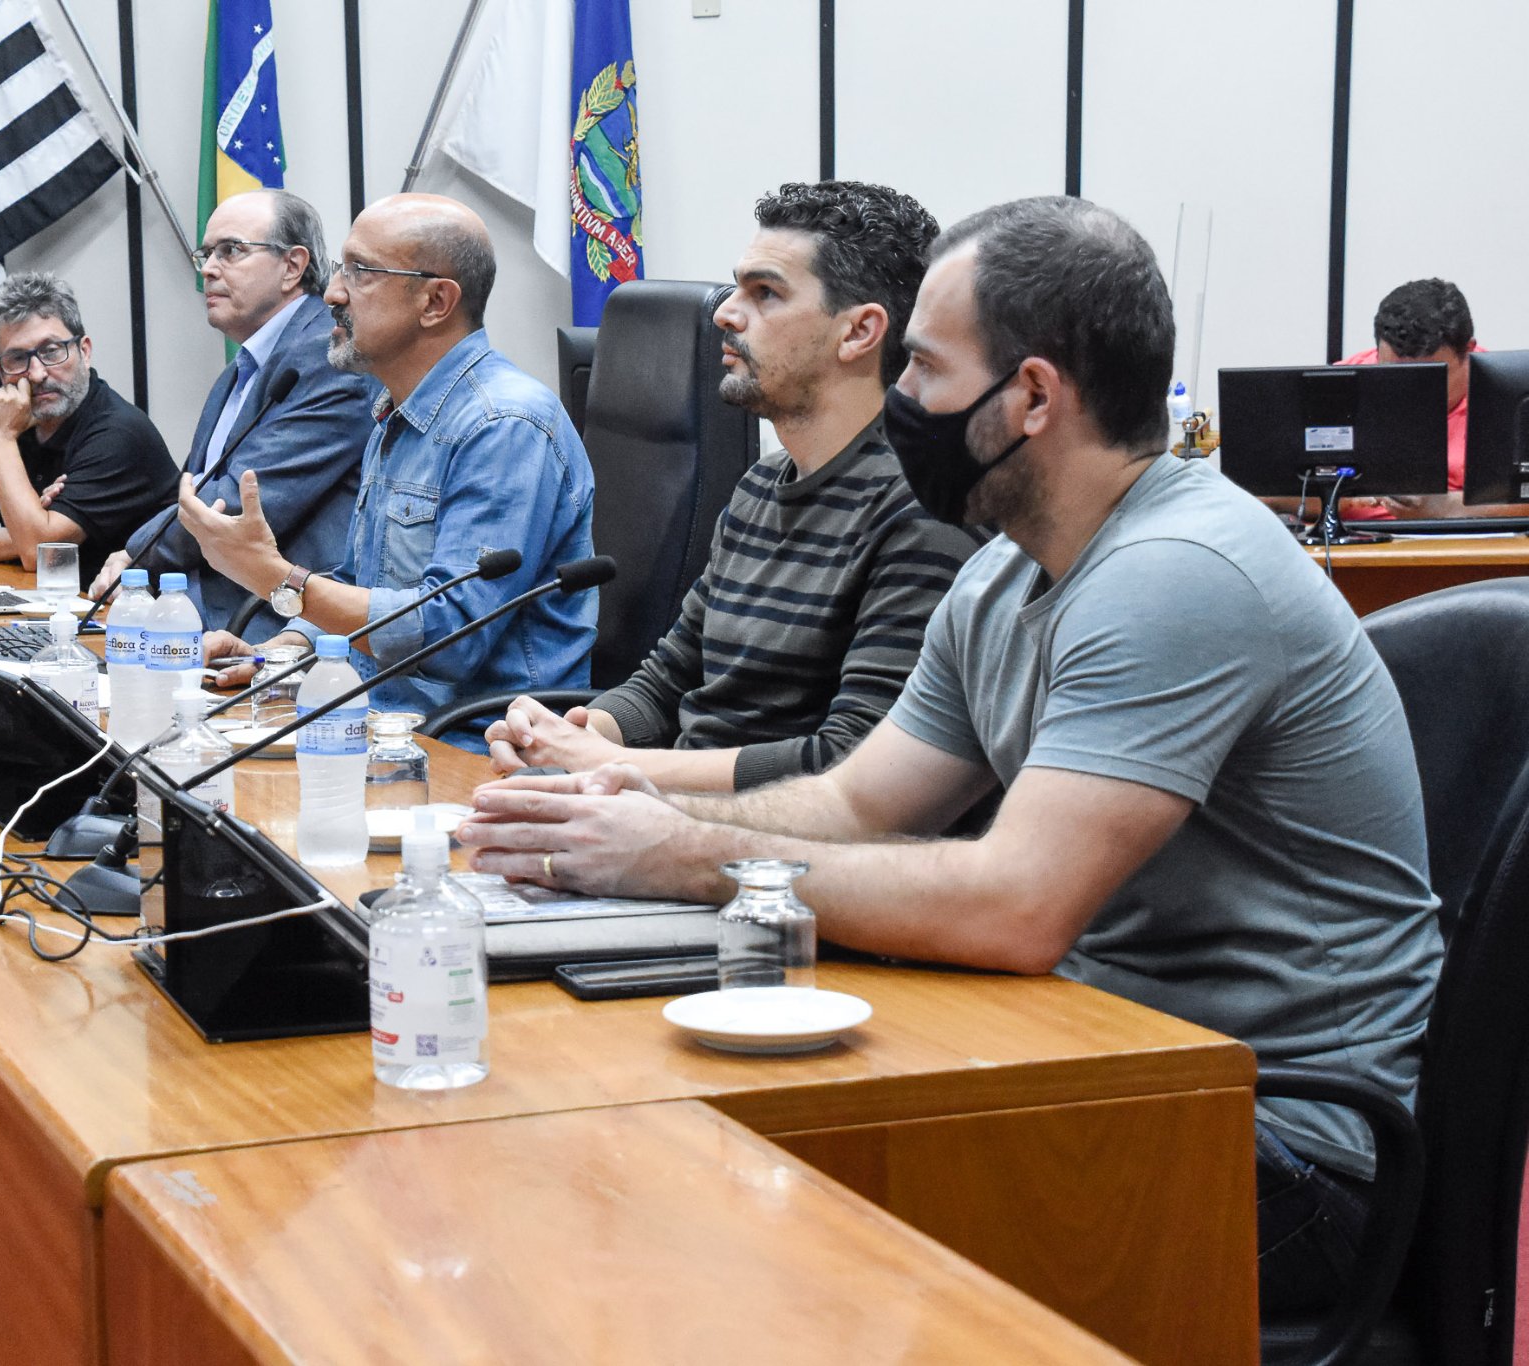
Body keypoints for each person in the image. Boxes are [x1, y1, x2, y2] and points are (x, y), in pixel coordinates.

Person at [462, 196, 1442, 1330]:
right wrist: (621, 803)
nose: (902, 401)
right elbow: (853, 799)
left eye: (923, 368)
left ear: (1029, 396)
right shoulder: (1002, 574)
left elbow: (1015, 905)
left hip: (1267, 1144)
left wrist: (674, 856)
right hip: (1098, 1061)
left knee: (738, 1247)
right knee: (674, 1169)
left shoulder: (1176, 572)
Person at [483, 181, 983, 792]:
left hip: (779, 860)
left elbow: (854, 765)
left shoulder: (920, 509)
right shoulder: (761, 485)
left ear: (858, 333)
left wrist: (606, 765)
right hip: (674, 823)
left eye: (765, 293)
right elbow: (668, 681)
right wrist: (572, 734)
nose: (724, 312)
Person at [182, 193, 597, 750]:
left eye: (360, 273)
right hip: (376, 721)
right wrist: (283, 652)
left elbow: (451, 635)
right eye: (339, 269)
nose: (332, 293)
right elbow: (361, 579)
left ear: (435, 302)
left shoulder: (505, 424)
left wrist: (277, 578)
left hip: (475, 744)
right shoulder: (394, 411)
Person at [87, 190, 375, 636]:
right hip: (205, 610)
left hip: (273, 628)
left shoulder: (324, 356)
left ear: (292, 267)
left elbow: (230, 506)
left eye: (231, 250)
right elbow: (191, 491)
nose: (207, 268)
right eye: (206, 253)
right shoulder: (240, 370)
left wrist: (133, 556)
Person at [0, 272, 175, 584]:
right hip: (50, 607)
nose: (37, 373)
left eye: (51, 351)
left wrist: (0, 440)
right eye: (17, 358)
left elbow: (36, 552)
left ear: (84, 351)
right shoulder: (8, 419)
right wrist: (24, 531)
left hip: (125, 620)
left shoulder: (120, 433)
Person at [1336, 279, 1528, 520]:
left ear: (1468, 352)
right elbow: (1275, 494)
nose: (1410, 393)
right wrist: (1332, 497)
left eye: (1429, 379)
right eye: (1394, 376)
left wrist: (1451, 507)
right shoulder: (1340, 385)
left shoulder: (1511, 395)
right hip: (1360, 549)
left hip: (1468, 551)